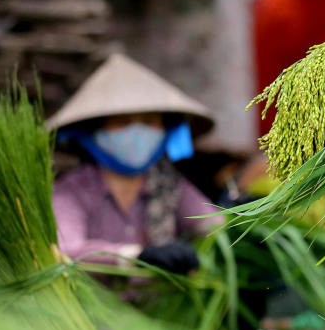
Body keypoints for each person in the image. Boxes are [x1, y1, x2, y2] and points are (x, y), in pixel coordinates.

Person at [47, 53, 224, 280]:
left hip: (156, 310)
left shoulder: (169, 185)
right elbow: (65, 249)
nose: (138, 131)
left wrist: (244, 217)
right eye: (123, 122)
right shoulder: (72, 192)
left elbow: (213, 226)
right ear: (94, 131)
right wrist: (135, 256)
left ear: (165, 130)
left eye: (149, 122)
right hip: (89, 312)